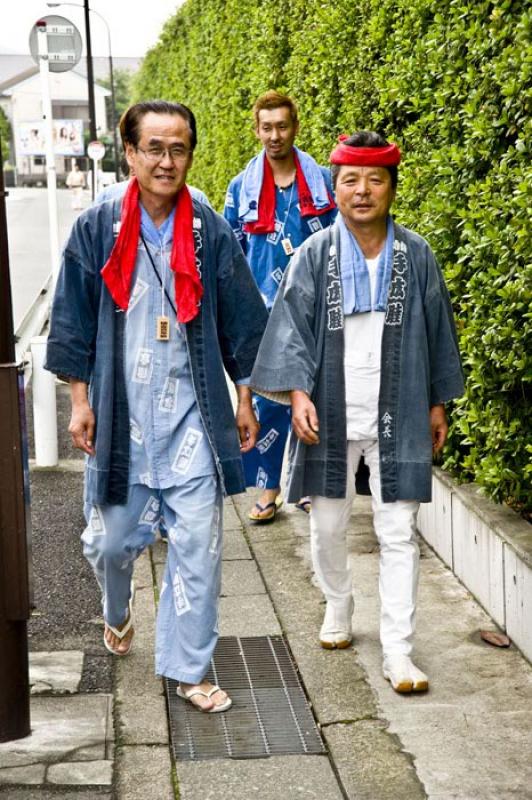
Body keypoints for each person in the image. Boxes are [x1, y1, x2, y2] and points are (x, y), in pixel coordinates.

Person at [46, 100, 268, 713]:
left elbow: (242, 320)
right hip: (122, 415)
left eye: (179, 149)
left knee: (199, 544)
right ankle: (116, 612)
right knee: (111, 544)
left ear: (189, 154)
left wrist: (244, 398)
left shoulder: (208, 228)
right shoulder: (95, 226)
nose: (167, 161)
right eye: (155, 148)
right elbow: (71, 321)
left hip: (193, 412)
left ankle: (189, 668)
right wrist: (78, 401)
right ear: (131, 152)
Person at [250, 131, 464, 693]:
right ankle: (338, 604)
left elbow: (437, 329)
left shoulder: (415, 254)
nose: (363, 191)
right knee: (327, 527)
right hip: (331, 409)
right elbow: (291, 329)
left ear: (392, 187)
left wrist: (437, 401)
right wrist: (297, 394)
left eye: (375, 180)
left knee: (399, 531)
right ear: (335, 187)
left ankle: (399, 651)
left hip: (399, 407)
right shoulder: (314, 254)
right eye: (350, 180)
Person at [224, 91, 337, 523]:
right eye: (266, 127)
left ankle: (307, 485)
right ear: (257, 130)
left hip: (314, 307)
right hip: (263, 310)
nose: (275, 135)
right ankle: (269, 489)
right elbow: (233, 253)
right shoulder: (242, 187)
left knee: (314, 394)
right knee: (268, 402)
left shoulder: (323, 181)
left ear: (296, 127)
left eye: (282, 126)